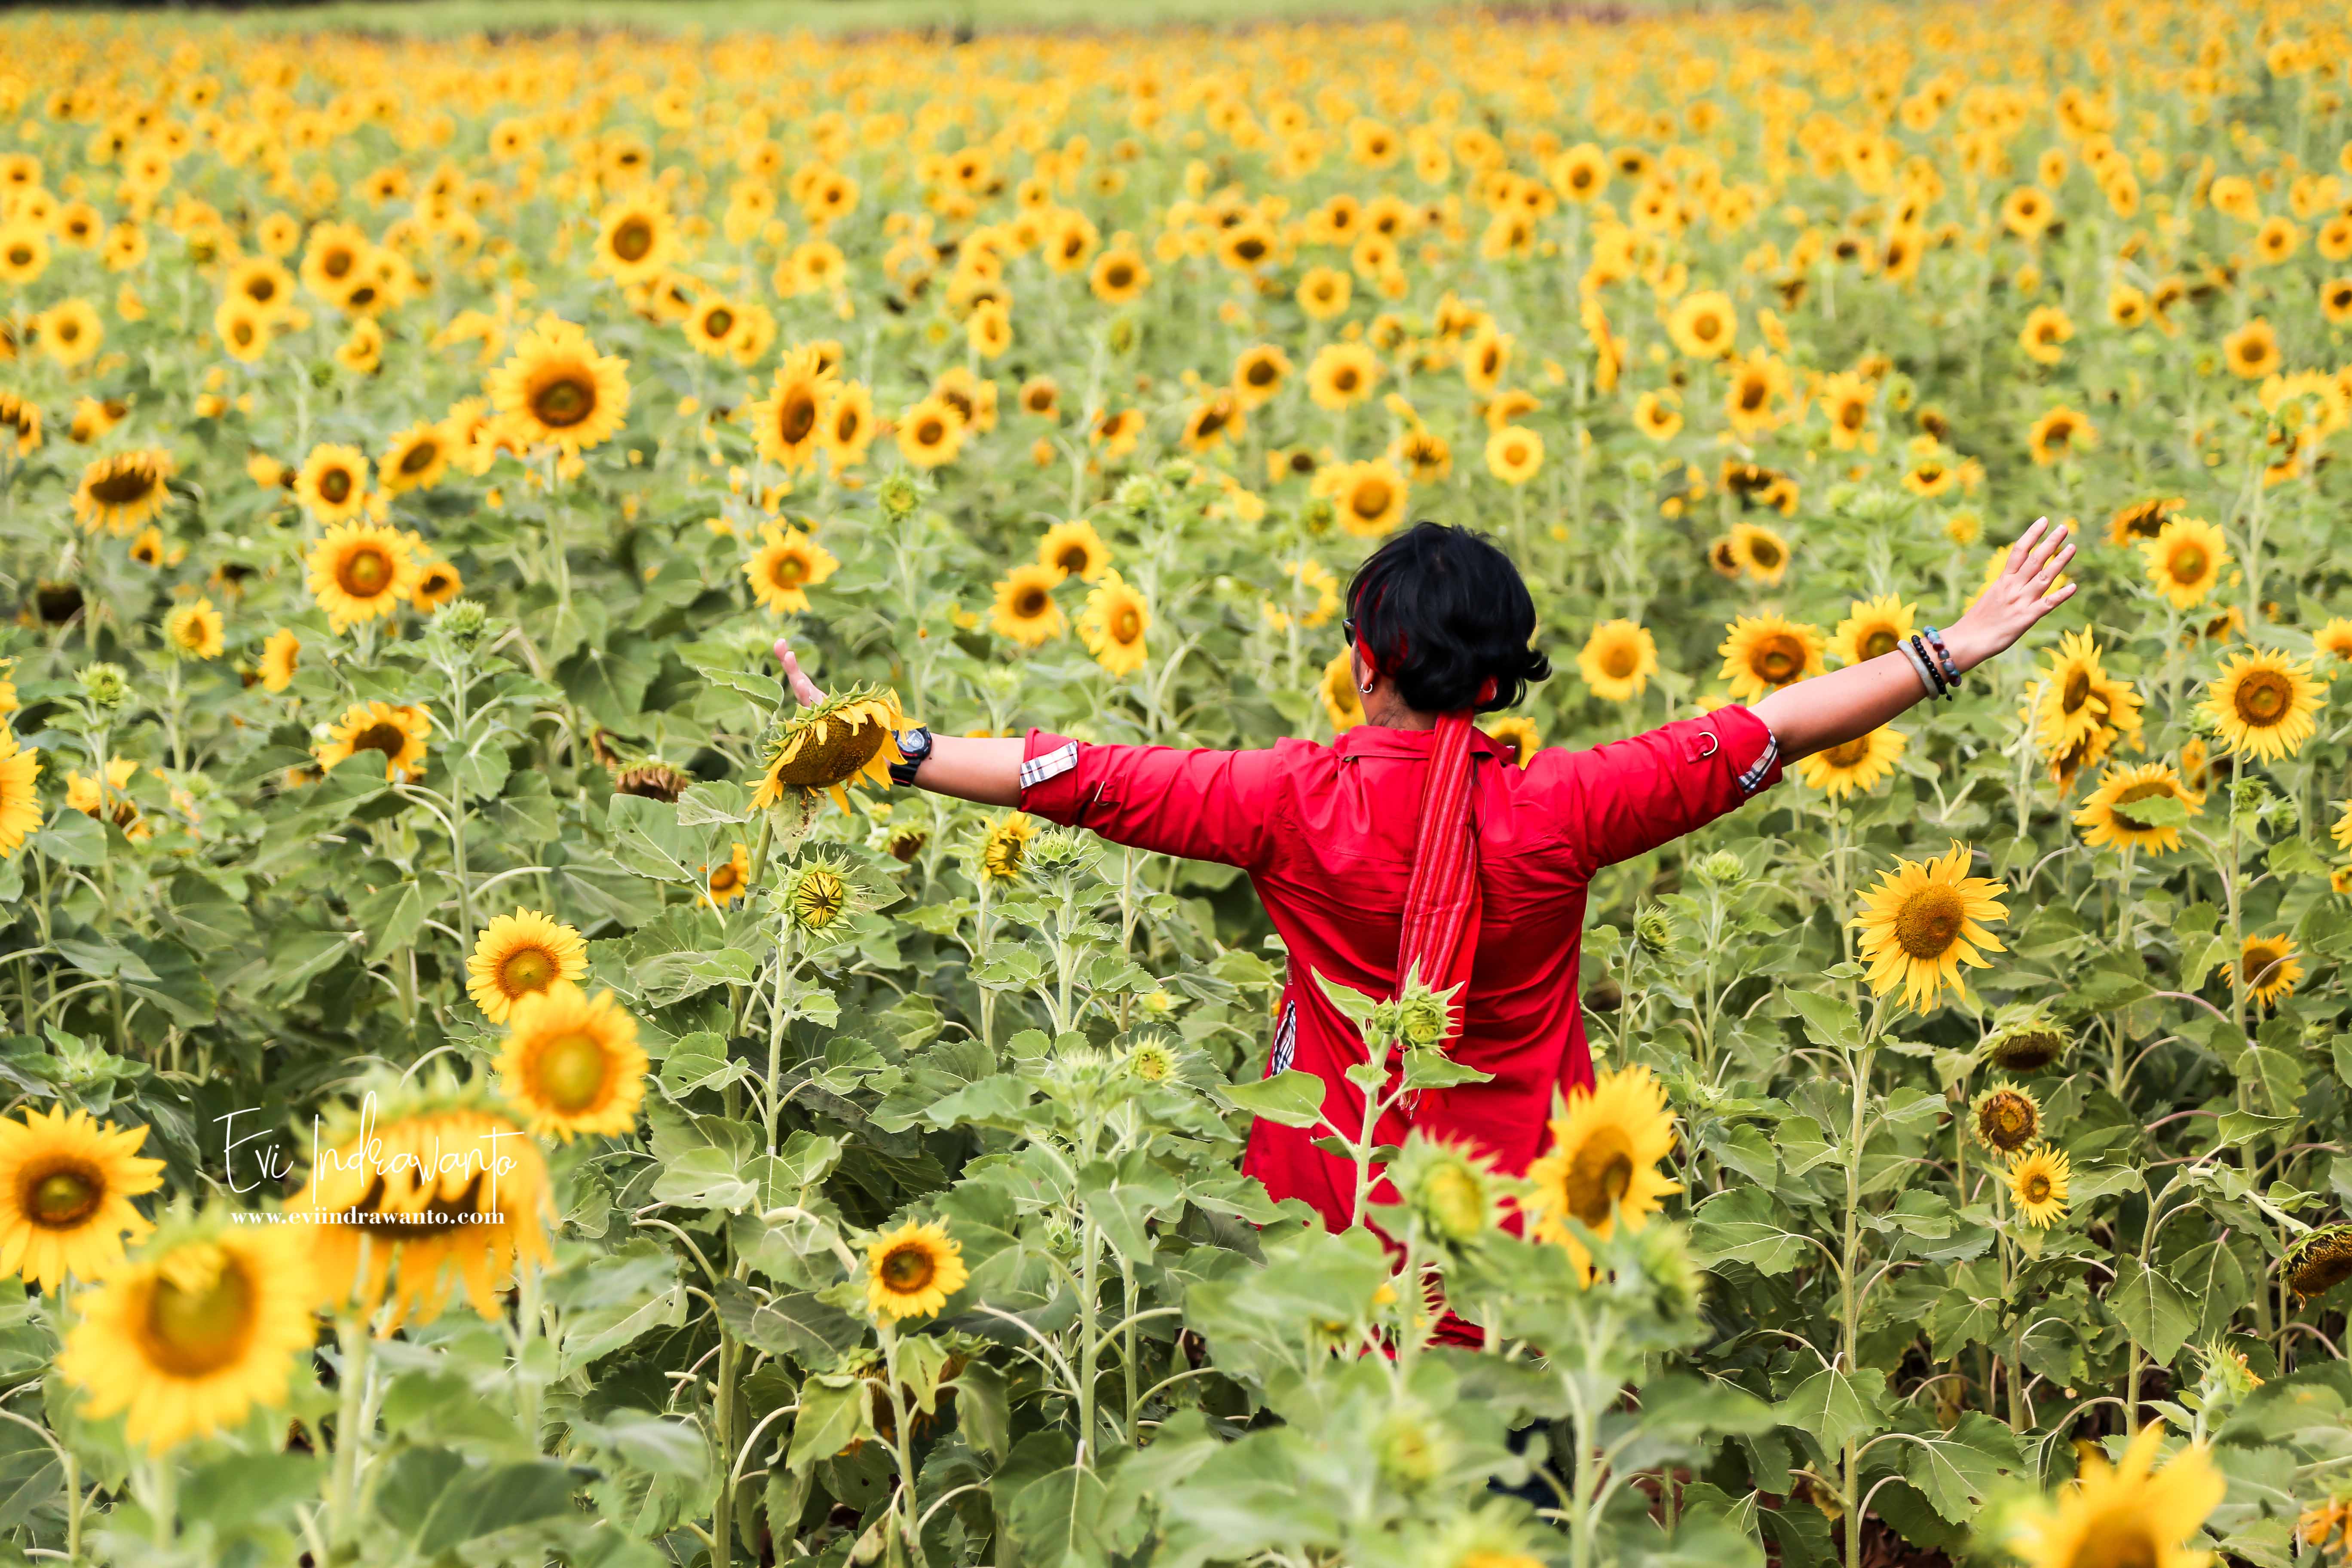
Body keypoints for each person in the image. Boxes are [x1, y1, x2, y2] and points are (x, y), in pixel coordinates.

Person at [774, 518, 2077, 1239]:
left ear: (1362, 656)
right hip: (1527, 1218)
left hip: (1337, 1209)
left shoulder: (1285, 800)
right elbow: (1776, 724)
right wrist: (1953, 645)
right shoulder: (1566, 806)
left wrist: (892, 749)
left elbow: (1078, 773)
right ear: (1506, 674)